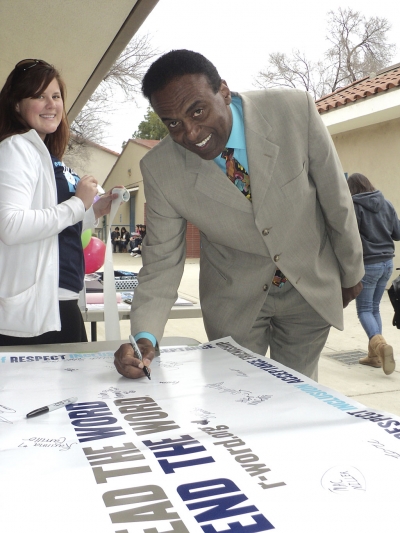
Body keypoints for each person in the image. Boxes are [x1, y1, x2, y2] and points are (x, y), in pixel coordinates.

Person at [114, 49, 364, 380]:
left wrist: (351, 273)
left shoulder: (293, 111)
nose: (190, 133)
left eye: (198, 111)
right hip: (234, 299)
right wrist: (144, 337)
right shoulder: (160, 169)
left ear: (224, 91)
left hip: (308, 285)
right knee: (234, 397)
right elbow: (161, 263)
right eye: (173, 123)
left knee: (297, 394)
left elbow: (336, 198)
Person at [0, 59, 119, 345]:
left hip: (61, 300)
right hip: (35, 313)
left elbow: (56, 227)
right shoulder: (15, 148)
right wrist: (78, 204)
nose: (51, 104)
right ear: (17, 105)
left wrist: (93, 211)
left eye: (55, 96)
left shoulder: (47, 156)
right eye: (39, 96)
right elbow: (10, 225)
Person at [347, 173, 400, 375]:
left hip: (368, 264)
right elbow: (398, 233)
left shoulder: (354, 206)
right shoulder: (386, 203)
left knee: (364, 310)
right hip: (388, 263)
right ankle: (374, 357)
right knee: (374, 308)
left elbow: (349, 237)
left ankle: (380, 347)